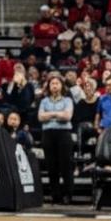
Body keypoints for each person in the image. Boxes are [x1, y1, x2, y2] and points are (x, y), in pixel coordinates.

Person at [37, 76, 74, 204]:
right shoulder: (44, 101)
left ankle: (68, 194)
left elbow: (67, 116)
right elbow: (41, 117)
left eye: (57, 83)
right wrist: (58, 114)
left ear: (61, 86)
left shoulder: (67, 100)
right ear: (49, 86)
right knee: (51, 166)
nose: (54, 85)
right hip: (48, 134)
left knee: (65, 165)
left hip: (63, 134)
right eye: (52, 83)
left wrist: (50, 114)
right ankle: (55, 194)